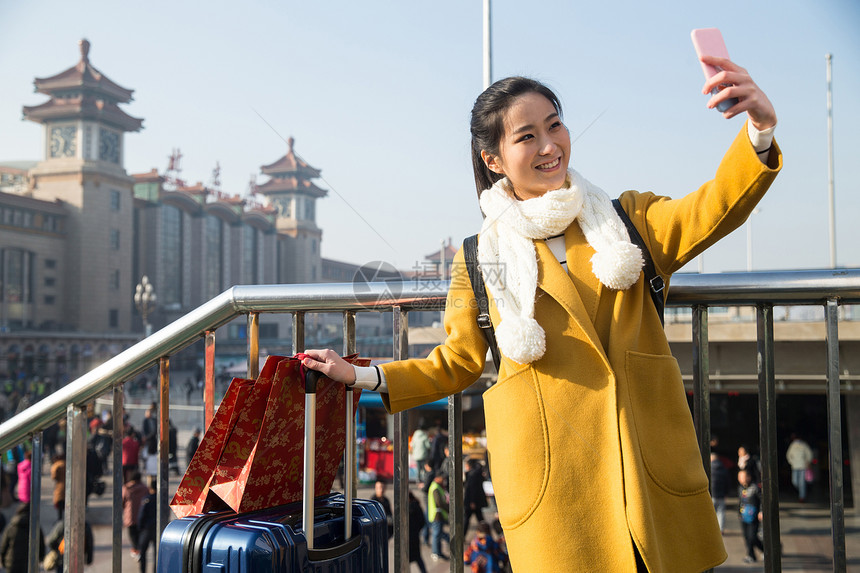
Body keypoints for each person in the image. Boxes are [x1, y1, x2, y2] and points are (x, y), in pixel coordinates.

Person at [300, 50, 780, 571]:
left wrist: (758, 128)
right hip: (559, 492)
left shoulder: (629, 221)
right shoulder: (478, 258)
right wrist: (362, 375)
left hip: (647, 472)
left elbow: (712, 208)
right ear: (493, 159)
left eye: (555, 126)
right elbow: (456, 362)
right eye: (527, 136)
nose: (550, 146)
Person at [0, 503, 44, 573]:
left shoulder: (11, 527)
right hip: (29, 563)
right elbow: (41, 546)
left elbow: (4, 547)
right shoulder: (36, 528)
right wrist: (40, 558)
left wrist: (3, 560)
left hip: (12, 563)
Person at [737, 469, 764, 563]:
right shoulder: (740, 488)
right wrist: (739, 513)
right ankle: (751, 555)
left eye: (743, 477)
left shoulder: (755, 488)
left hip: (754, 516)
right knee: (746, 537)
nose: (741, 479)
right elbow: (740, 501)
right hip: (743, 515)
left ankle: (765, 549)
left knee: (752, 536)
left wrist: (761, 511)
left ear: (749, 477)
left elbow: (762, 500)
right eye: (739, 477)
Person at [122, 470, 150, 561]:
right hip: (142, 517)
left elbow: (122, 502)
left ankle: (136, 550)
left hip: (130, 517)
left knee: (132, 535)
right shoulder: (145, 488)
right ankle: (140, 550)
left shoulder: (126, 488)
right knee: (140, 535)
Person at [427, 469, 450, 561]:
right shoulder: (435, 487)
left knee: (439, 533)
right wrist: (448, 509)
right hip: (437, 514)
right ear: (437, 478)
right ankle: (436, 552)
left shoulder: (437, 486)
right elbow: (439, 502)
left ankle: (438, 551)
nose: (444, 479)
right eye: (442, 477)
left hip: (438, 514)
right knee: (437, 534)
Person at [137, 478, 158, 573]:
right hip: (156, 529)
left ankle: (143, 570)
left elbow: (141, 514)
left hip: (146, 529)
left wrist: (140, 527)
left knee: (143, 552)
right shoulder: (160, 500)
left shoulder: (147, 499)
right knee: (156, 554)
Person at [786, 433, 813, 502]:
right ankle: (802, 493)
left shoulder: (804, 445)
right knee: (795, 481)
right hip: (795, 466)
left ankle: (802, 497)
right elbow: (788, 455)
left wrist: (807, 462)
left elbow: (809, 454)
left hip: (802, 466)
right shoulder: (792, 445)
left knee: (801, 482)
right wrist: (791, 462)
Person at [464, 458, 488, 533]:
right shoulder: (476, 473)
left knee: (467, 519)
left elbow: (472, 489)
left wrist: (472, 501)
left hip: (472, 502)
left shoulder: (472, 475)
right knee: (480, 519)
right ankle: (487, 533)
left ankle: (462, 536)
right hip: (476, 501)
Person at [408, 490, 429, 573]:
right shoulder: (416, 505)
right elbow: (422, 521)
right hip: (415, 536)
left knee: (406, 559)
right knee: (417, 558)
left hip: (409, 538)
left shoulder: (407, 508)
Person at [710, 451, 730, 534]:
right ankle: (720, 530)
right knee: (721, 512)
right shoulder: (724, 469)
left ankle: (712, 529)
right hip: (721, 494)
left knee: (711, 512)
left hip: (712, 494)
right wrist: (726, 492)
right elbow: (728, 482)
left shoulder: (708, 468)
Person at [50, 452, 65, 520]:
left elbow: (54, 476)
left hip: (60, 487)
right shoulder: (67, 463)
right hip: (67, 486)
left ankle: (60, 518)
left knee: (59, 503)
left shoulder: (56, 465)